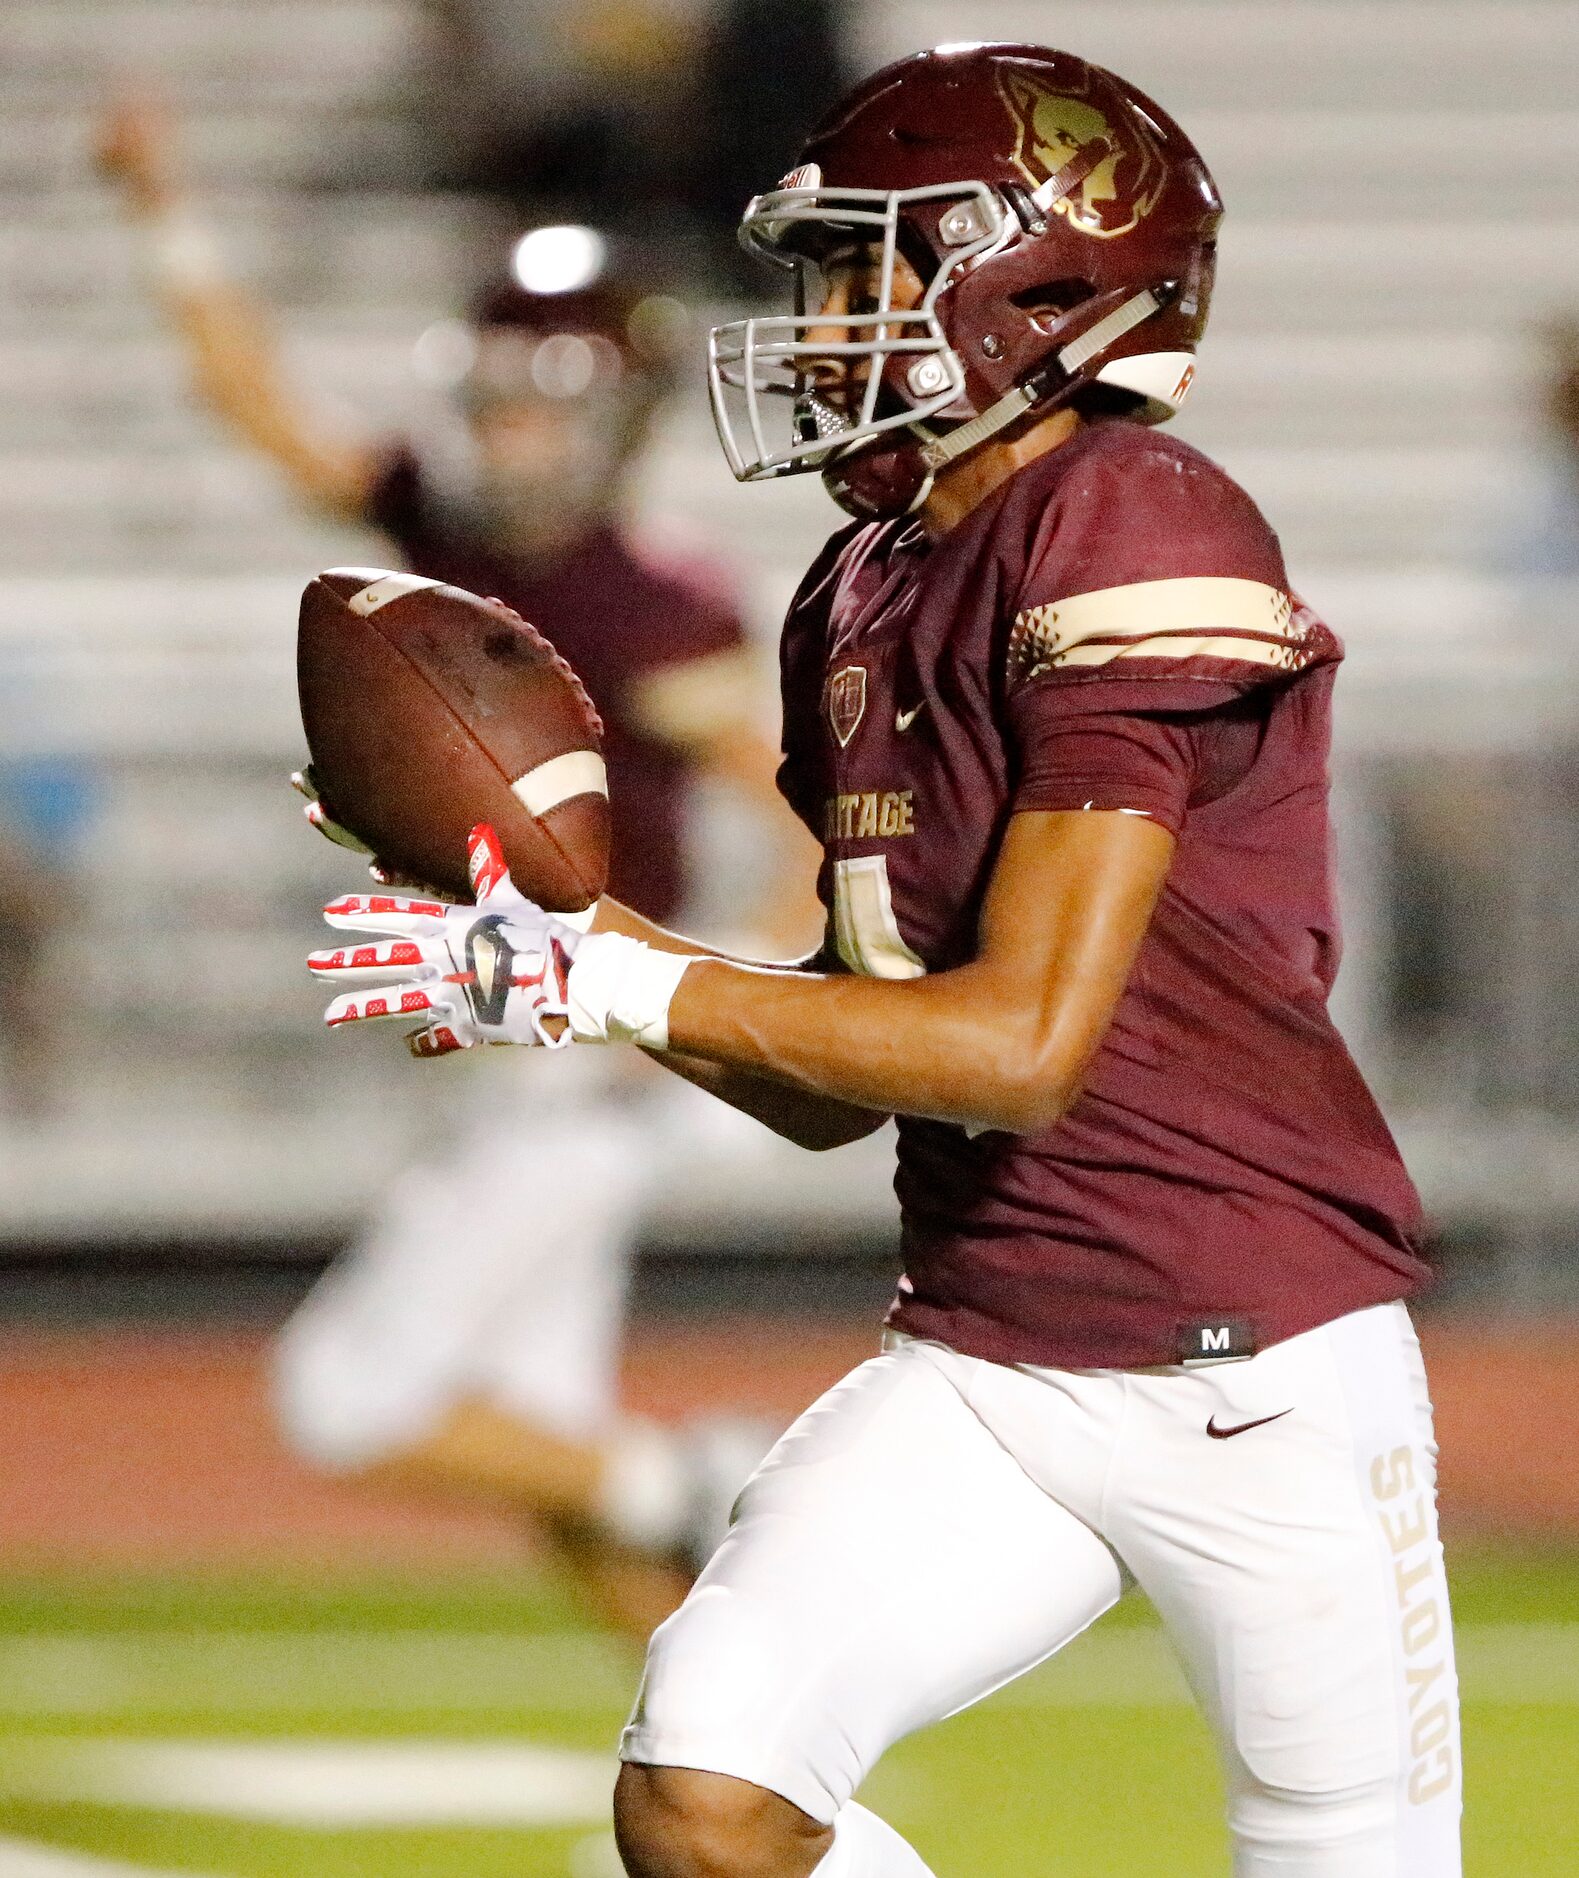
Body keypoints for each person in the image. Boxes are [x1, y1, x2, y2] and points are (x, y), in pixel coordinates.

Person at [307, 42, 1462, 1878]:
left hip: (1258, 1374)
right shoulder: (857, 587)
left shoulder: (1127, 514)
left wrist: (612, 987)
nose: (823, 318)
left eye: (868, 268)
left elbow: (1019, 1049)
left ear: (1035, 275)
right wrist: (573, 942)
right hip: (992, 1362)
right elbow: (848, 1093)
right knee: (705, 1793)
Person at [99, 95, 816, 1636]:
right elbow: (257, 402)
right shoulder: (445, 523)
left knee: (351, 1394)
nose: (511, 435)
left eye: (544, 404)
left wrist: (686, 1016)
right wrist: (169, 213)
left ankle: (709, 1481)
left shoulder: (654, 601)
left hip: (577, 1048)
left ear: (614, 417)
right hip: (506, 1032)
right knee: (539, 1444)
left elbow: (802, 835)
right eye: (494, 400)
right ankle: (743, 1808)